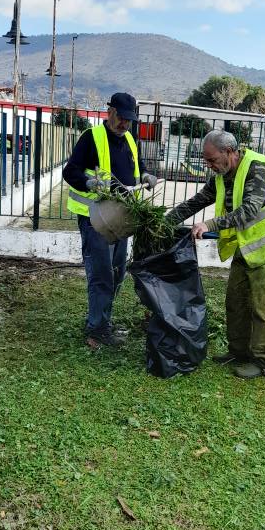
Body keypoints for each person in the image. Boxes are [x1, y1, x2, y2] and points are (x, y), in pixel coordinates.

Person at [166, 129, 265, 379]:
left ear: (229, 152)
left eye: (212, 159)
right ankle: (239, 351)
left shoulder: (259, 169)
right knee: (236, 303)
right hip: (247, 248)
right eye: (205, 160)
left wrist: (210, 225)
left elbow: (248, 210)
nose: (209, 165)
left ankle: (263, 361)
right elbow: (198, 201)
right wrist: (165, 221)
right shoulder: (222, 175)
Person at [63, 93, 158, 348]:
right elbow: (69, 171)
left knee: (117, 271)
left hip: (120, 219)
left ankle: (102, 320)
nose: (125, 125)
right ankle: (96, 331)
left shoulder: (129, 139)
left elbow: (136, 169)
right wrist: (89, 182)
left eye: (129, 120)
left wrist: (147, 176)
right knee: (102, 274)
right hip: (95, 218)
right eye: (122, 118)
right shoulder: (91, 138)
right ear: (110, 112)